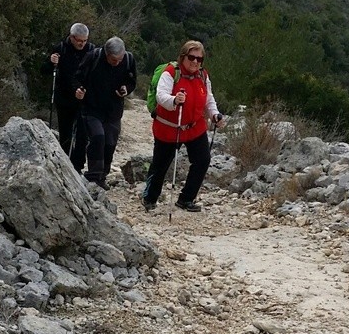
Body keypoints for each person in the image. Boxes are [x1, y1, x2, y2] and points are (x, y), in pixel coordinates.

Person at [141, 40, 225, 212]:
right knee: (160, 165)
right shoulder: (171, 73)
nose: (195, 62)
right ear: (183, 57)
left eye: (199, 59)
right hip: (169, 127)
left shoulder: (203, 75)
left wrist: (214, 114)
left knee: (202, 160)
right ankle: (150, 198)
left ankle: (186, 199)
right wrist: (174, 100)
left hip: (195, 127)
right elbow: (161, 96)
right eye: (191, 57)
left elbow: (208, 99)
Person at [74, 36, 137, 190]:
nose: (117, 63)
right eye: (114, 60)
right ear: (106, 54)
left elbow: (132, 80)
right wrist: (78, 90)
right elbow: (78, 77)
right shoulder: (93, 57)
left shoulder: (128, 60)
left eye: (120, 59)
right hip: (92, 108)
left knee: (110, 144)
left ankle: (102, 176)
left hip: (114, 110)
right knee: (97, 137)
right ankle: (93, 176)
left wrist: (126, 89)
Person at [46, 23, 94, 172]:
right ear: (72, 37)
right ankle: (64, 165)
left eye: (85, 40)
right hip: (64, 98)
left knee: (82, 135)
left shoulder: (91, 50)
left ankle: (77, 167)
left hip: (83, 98)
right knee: (65, 134)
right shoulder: (60, 48)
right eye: (79, 40)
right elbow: (46, 70)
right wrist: (51, 61)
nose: (82, 43)